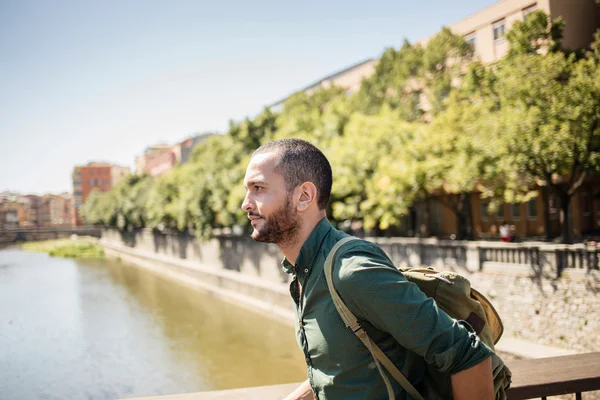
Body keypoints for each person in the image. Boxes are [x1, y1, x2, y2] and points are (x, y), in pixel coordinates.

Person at [241, 138, 494, 400]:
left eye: (258, 188)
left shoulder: (351, 271)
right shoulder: (303, 271)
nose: (246, 204)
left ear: (304, 196)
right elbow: (345, 369)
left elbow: (466, 352)